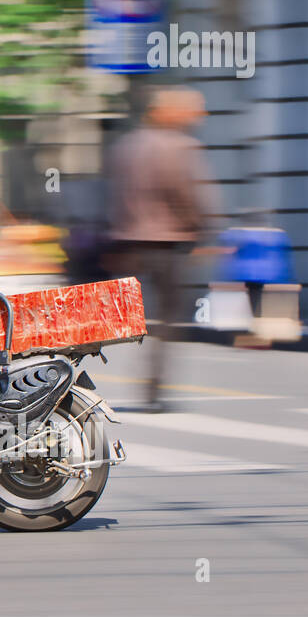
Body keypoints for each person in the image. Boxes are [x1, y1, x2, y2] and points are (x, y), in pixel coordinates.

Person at [106, 86, 213, 413]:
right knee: (168, 320)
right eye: (192, 110)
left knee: (127, 317)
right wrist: (202, 230)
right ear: (168, 112)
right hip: (167, 242)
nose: (199, 117)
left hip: (128, 240)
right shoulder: (180, 147)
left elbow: (111, 193)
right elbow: (188, 193)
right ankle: (153, 389)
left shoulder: (127, 145)